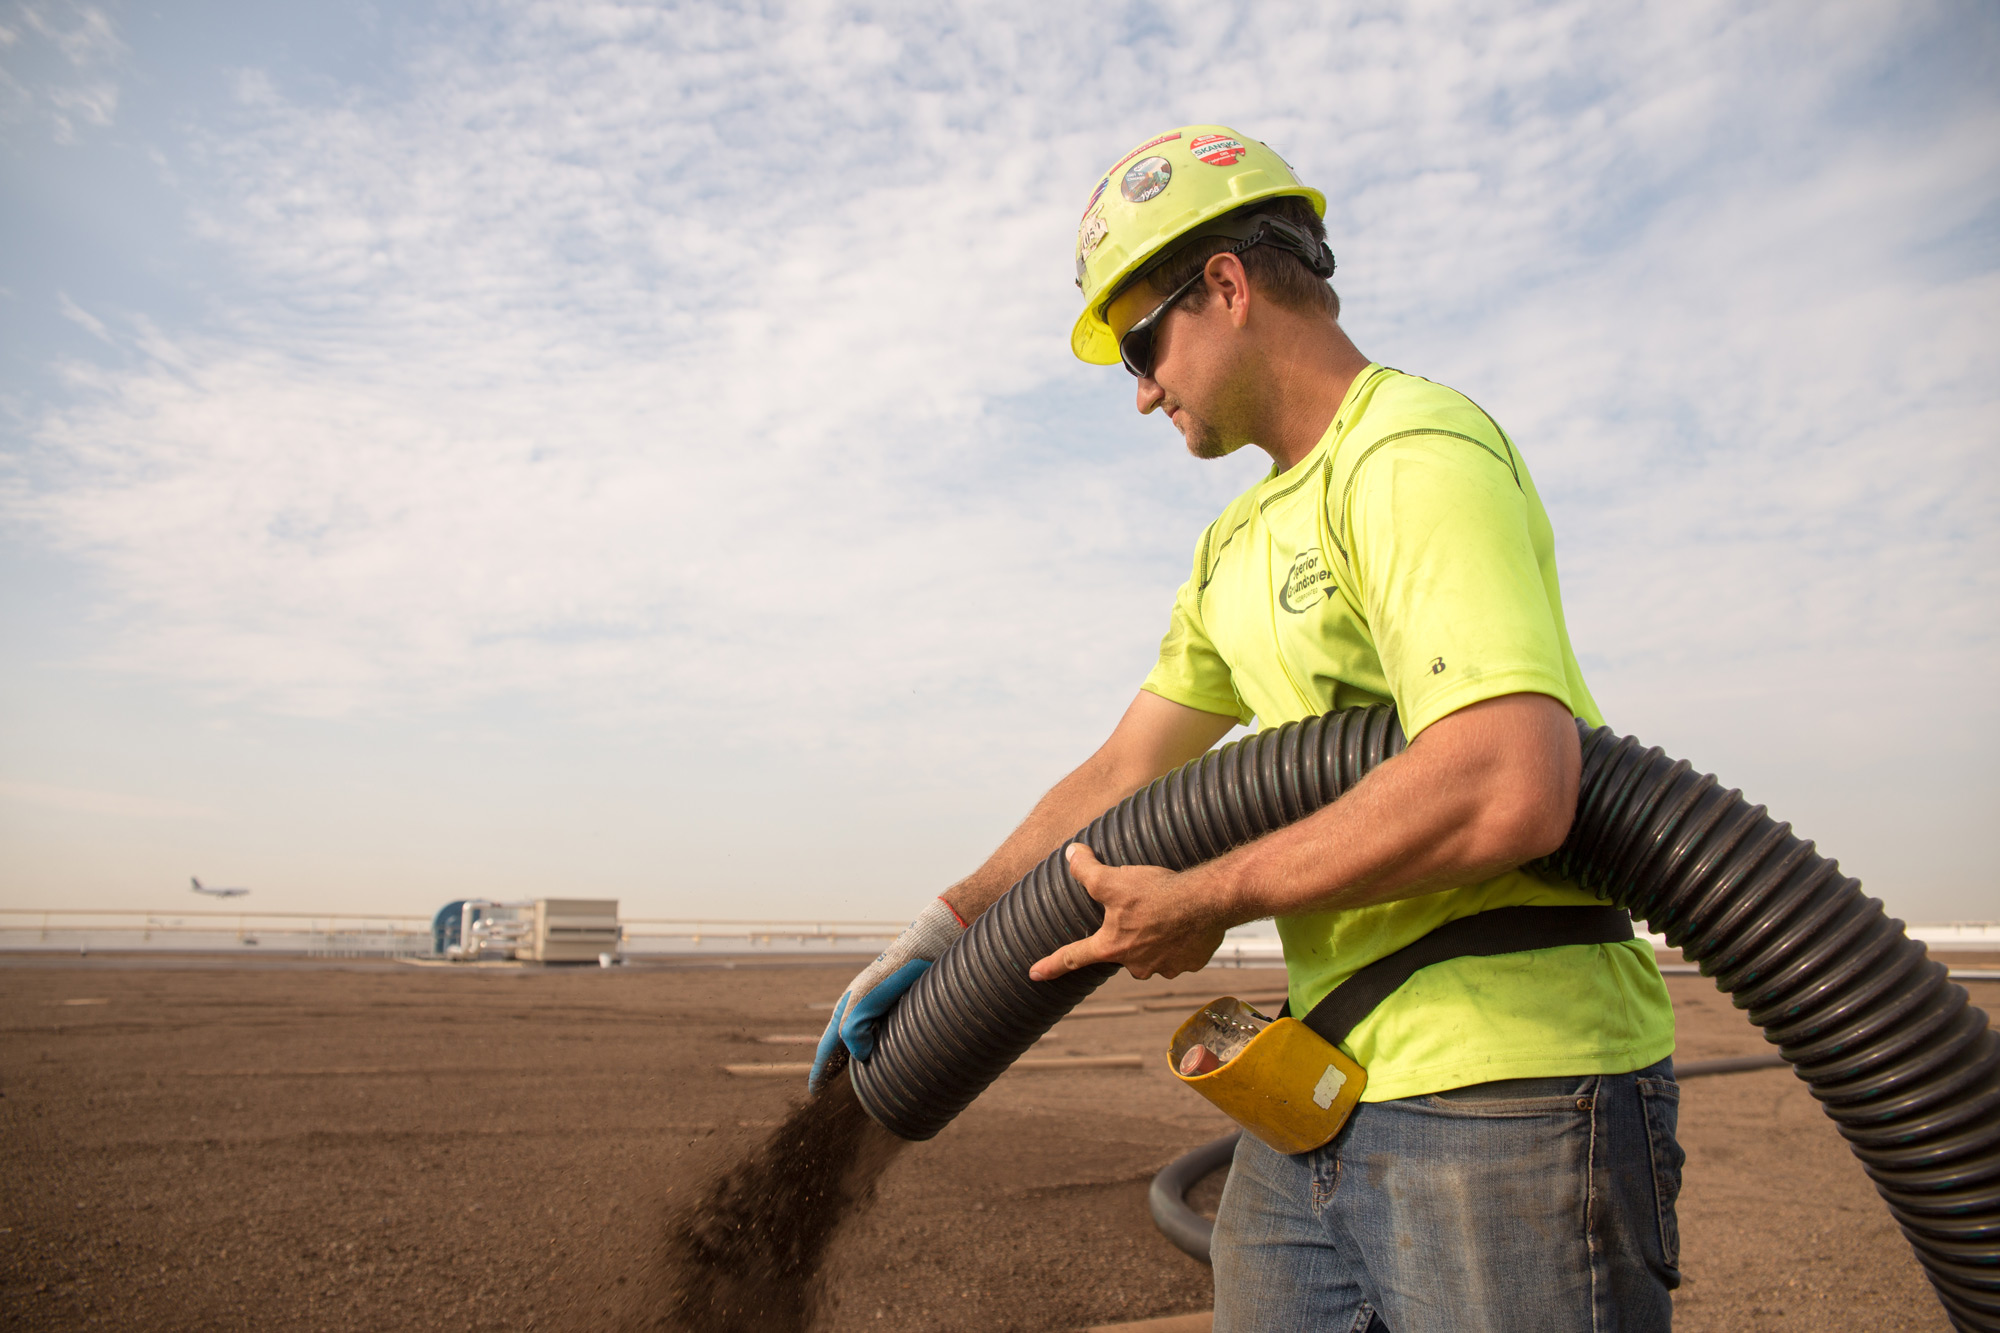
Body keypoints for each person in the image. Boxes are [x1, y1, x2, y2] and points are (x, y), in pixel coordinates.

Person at [812, 125, 1683, 1332]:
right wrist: (942, 930)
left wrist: (1213, 894)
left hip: (1506, 1087)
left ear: (1224, 284)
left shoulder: (1409, 451)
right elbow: (1127, 772)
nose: (1138, 389)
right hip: (1319, 1092)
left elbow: (1503, 780)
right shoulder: (1235, 542)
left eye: (1140, 342)